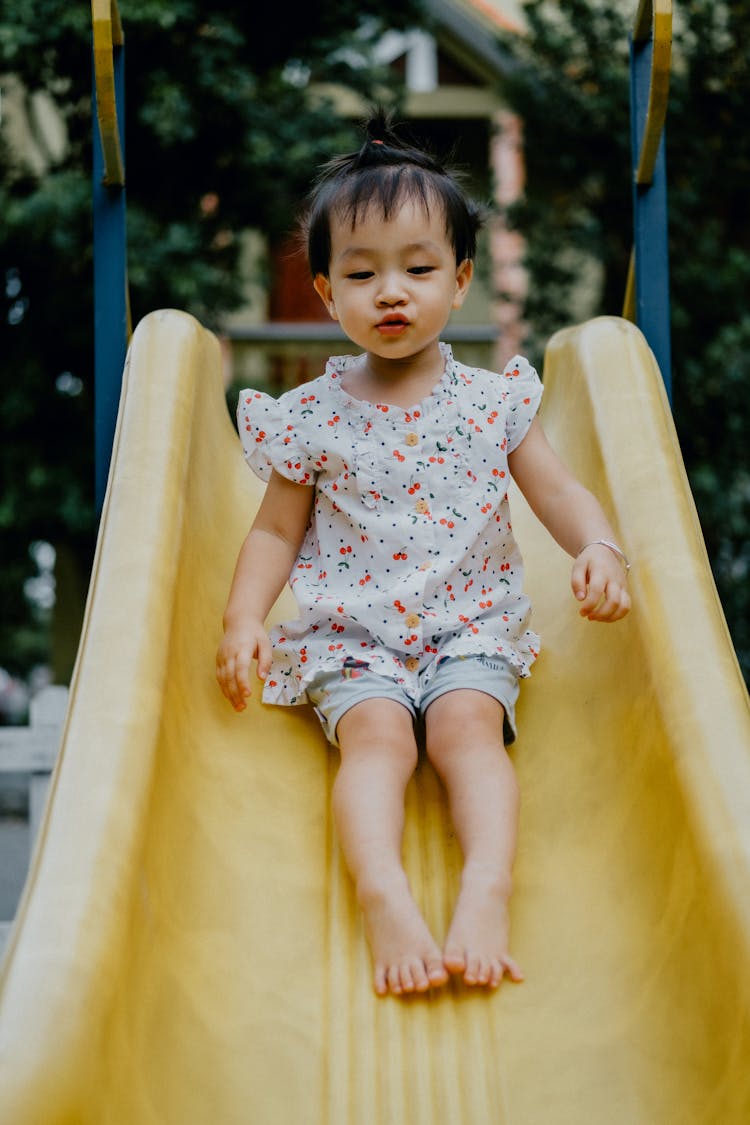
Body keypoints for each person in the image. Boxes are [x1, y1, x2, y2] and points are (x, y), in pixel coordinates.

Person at [216, 113, 631, 998]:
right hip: (353, 636)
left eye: (418, 268)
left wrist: (599, 545)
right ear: (327, 294)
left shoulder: (492, 402)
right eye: (362, 274)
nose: (391, 292)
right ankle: (383, 891)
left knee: (465, 730)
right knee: (376, 743)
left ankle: (485, 886)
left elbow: (555, 490)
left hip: (469, 625)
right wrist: (245, 616)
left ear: (461, 278)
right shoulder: (312, 417)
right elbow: (275, 531)